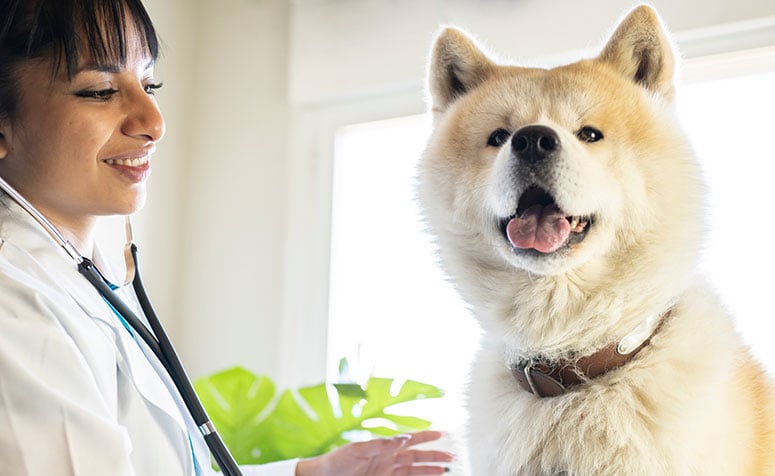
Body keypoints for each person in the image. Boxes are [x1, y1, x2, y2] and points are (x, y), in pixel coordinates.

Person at [0, 0, 455, 474]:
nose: (153, 122)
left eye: (149, 83)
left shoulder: (83, 275)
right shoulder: (14, 302)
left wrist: (309, 474)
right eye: (99, 90)